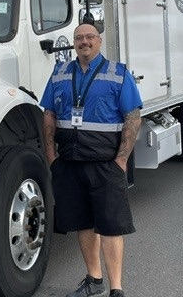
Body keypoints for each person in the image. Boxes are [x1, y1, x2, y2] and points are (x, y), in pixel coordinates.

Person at [40, 23, 143, 297]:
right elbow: (49, 112)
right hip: (70, 162)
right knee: (83, 223)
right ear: (74, 43)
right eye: (79, 38)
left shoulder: (118, 73)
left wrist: (121, 160)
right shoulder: (60, 73)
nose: (84, 42)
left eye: (89, 37)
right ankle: (94, 281)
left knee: (110, 225)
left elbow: (133, 117)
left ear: (99, 41)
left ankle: (116, 289)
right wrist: (51, 155)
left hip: (105, 163)